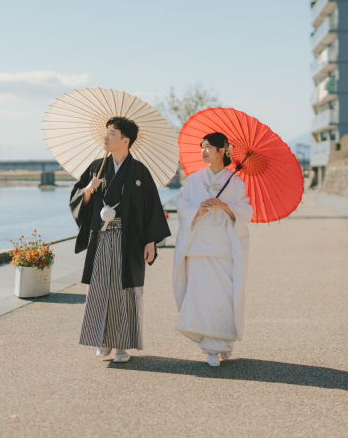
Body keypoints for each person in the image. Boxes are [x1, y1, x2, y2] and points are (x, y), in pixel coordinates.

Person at [70, 116, 171, 363]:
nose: (106, 137)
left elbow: (151, 208)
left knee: (125, 290)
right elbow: (77, 198)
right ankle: (102, 341)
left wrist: (150, 241)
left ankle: (122, 345)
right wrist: (89, 190)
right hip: (102, 237)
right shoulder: (96, 167)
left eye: (112, 134)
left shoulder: (139, 172)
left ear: (126, 140)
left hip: (129, 240)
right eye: (106, 133)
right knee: (99, 287)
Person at [172, 132, 253, 367]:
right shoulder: (195, 179)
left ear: (222, 150)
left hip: (224, 249)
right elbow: (182, 205)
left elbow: (245, 211)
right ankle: (211, 348)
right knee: (202, 298)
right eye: (202, 147)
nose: (203, 151)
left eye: (208, 147)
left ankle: (224, 341)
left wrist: (226, 207)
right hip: (199, 248)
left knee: (223, 298)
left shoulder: (235, 182)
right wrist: (197, 209)